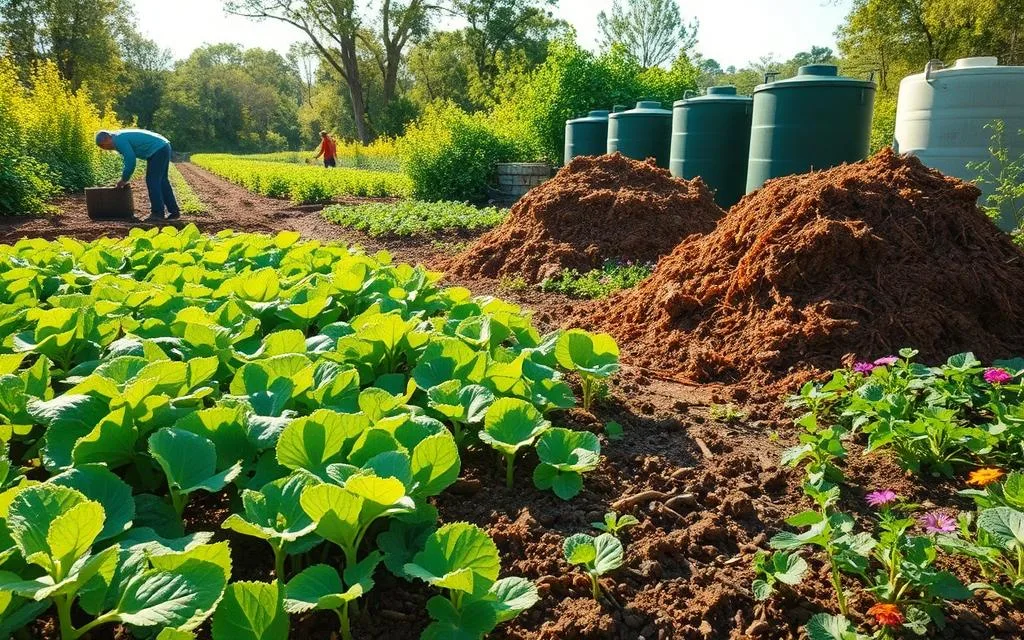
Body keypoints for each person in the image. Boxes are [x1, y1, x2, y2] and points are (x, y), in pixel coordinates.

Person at [95, 129, 180, 223]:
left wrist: (124, 179)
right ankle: (174, 211)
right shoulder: (119, 137)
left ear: (107, 139)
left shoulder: (119, 140)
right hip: (163, 146)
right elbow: (128, 159)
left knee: (153, 181)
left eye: (103, 146)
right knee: (162, 181)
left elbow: (130, 161)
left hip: (158, 149)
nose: (106, 149)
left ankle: (158, 213)